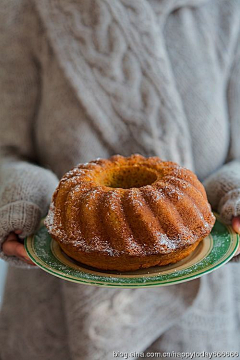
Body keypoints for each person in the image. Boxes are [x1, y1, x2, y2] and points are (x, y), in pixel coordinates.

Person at [0, 0, 240, 359]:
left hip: (198, 312)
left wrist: (234, 191)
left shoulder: (224, 9)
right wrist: (20, 197)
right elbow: (6, 148)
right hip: (56, 307)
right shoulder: (28, 8)